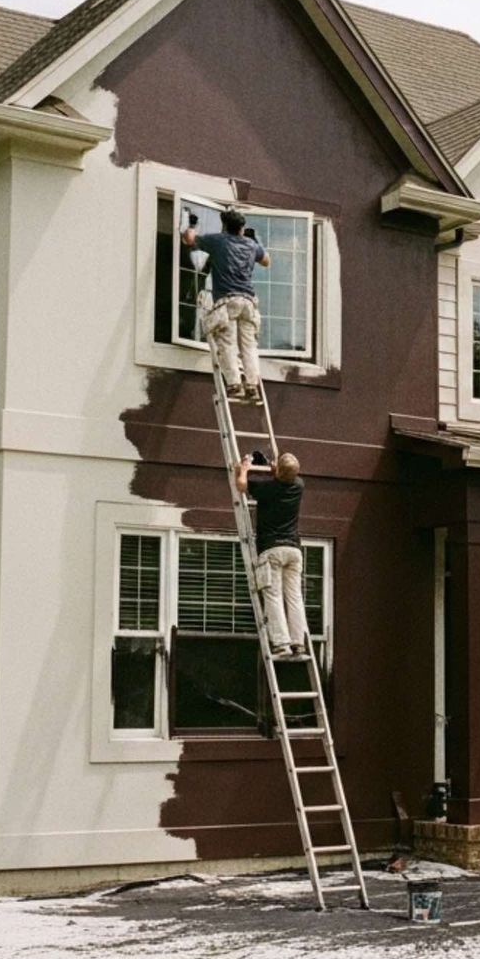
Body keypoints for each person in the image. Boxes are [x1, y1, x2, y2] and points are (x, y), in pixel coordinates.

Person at [183, 208, 271, 402]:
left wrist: (191, 224)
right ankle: (252, 386)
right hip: (249, 302)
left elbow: (188, 240)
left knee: (227, 342)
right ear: (242, 228)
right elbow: (266, 260)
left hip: (227, 301)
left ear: (224, 226)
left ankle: (234, 384)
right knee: (249, 346)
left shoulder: (218, 241)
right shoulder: (250, 245)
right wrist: (257, 241)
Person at [236, 450, 308, 657]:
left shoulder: (268, 489)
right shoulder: (299, 485)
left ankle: (281, 644)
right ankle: (298, 642)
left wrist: (244, 469)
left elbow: (241, 485)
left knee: (273, 595)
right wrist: (277, 469)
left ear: (278, 472)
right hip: (294, 550)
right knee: (294, 597)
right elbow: (283, 476)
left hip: (272, 549)